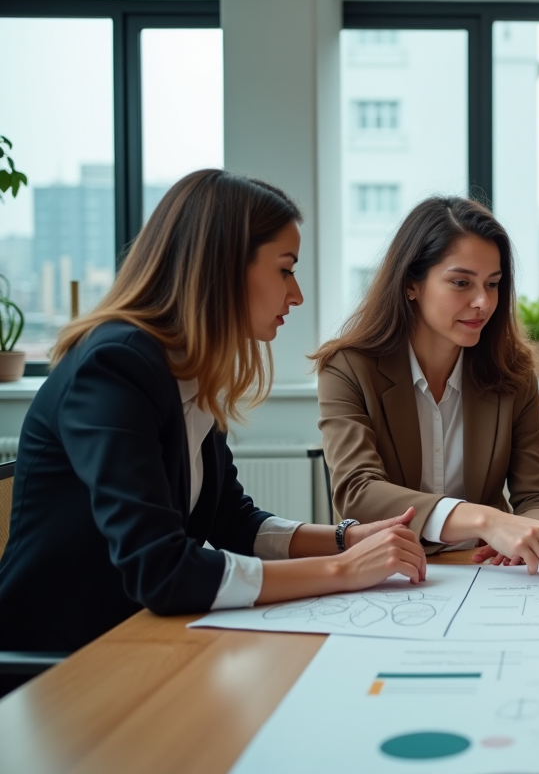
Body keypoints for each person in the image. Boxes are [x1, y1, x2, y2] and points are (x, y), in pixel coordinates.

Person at [0, 170, 427, 659]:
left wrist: (344, 538)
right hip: (53, 666)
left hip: (135, 642)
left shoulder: (187, 369)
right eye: (285, 269)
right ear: (223, 268)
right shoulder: (113, 366)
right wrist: (343, 571)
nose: (297, 294)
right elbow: (160, 572)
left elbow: (232, 522)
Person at [312, 196, 539, 581]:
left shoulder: (513, 372)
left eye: (493, 284)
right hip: (389, 576)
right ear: (411, 283)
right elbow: (358, 491)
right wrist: (485, 520)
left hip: (486, 574)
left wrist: (526, 533)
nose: (483, 302)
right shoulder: (348, 368)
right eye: (461, 283)